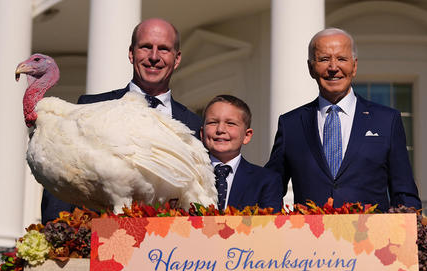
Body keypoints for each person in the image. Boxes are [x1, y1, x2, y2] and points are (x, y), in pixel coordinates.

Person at [41, 18, 202, 223]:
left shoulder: (194, 125)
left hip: (169, 247)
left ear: (177, 58)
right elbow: (63, 180)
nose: (154, 57)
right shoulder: (89, 107)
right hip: (99, 244)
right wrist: (57, 237)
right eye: (145, 47)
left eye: (163, 49)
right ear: (131, 53)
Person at [265, 28, 421, 212]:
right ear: (310, 68)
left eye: (341, 59)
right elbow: (269, 191)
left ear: (354, 66)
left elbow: (404, 193)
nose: (333, 67)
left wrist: (408, 235)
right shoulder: (291, 124)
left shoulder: (387, 121)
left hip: (372, 238)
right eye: (324, 59)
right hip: (310, 238)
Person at [201, 95, 283, 211]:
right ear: (202, 133)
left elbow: (270, 226)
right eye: (213, 122)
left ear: (246, 136)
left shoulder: (266, 181)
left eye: (230, 123)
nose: (220, 129)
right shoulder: (188, 176)